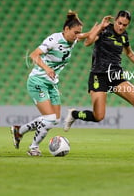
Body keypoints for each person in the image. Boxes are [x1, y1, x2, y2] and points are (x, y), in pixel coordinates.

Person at [63, 10, 134, 152]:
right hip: (99, 76)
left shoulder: (124, 36)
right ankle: (74, 114)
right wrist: (99, 27)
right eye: (119, 23)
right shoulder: (104, 30)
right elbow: (87, 43)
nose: (121, 27)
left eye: (125, 25)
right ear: (115, 20)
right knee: (98, 116)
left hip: (116, 77)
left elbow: (129, 53)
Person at [10, 11, 83, 156]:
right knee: (49, 119)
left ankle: (20, 130)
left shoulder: (72, 40)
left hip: (51, 84)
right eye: (75, 33)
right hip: (38, 80)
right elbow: (33, 55)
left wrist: (99, 28)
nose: (77, 36)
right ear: (66, 29)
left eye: (79, 33)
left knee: (54, 120)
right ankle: (33, 148)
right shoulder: (54, 39)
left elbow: (86, 36)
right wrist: (47, 68)